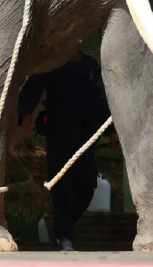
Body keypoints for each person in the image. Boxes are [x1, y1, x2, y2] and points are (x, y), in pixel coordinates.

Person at [17, 46, 117, 251]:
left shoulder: (90, 65)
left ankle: (63, 226)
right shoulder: (51, 62)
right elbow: (33, 88)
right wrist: (25, 116)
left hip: (87, 138)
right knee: (62, 188)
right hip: (59, 136)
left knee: (88, 186)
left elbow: (101, 100)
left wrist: (111, 131)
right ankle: (64, 236)